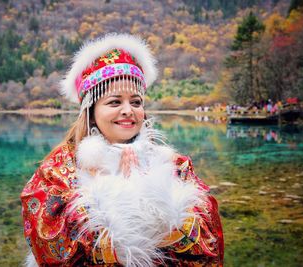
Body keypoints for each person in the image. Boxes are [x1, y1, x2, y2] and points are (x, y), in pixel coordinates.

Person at [20, 33, 224, 266]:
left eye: (136, 102)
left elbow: (209, 243)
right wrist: (103, 197)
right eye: (115, 102)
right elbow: (49, 248)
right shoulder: (56, 171)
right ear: (91, 111)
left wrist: (153, 193)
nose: (128, 110)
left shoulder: (174, 164)